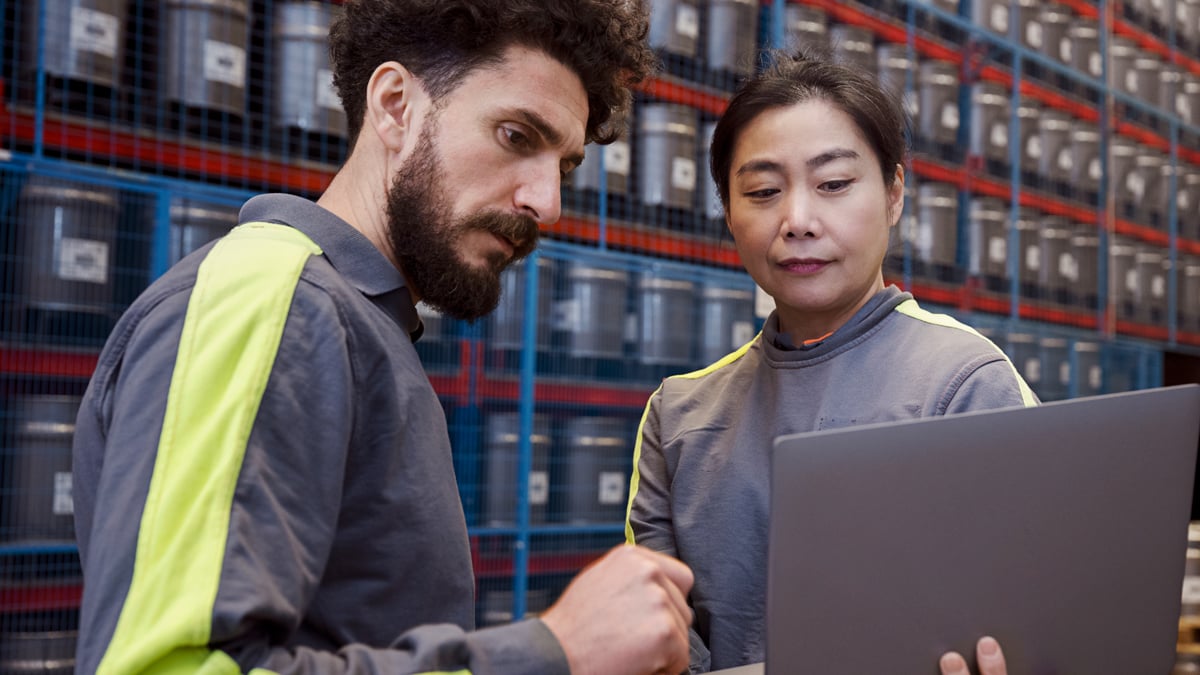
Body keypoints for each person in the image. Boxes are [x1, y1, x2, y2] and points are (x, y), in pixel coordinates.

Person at [70, 1, 696, 673]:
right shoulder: (274, 301)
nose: (547, 203)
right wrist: (550, 652)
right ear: (395, 105)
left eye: (564, 168)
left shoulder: (358, 324)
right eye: (516, 136)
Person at [625, 49, 1037, 674]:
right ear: (729, 214)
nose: (797, 220)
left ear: (895, 193)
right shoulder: (677, 414)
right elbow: (660, 646)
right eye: (762, 191)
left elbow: (1025, 620)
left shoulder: (966, 383)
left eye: (834, 184)